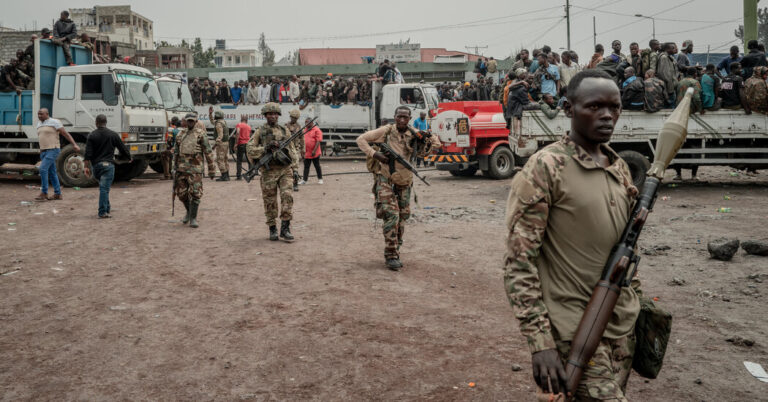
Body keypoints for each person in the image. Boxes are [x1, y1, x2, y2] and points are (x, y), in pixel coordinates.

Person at [504, 69, 641, 401]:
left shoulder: (618, 167)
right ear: (568, 109)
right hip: (572, 331)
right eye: (594, 107)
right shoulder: (545, 168)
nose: (607, 115)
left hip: (618, 325)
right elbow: (519, 264)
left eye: (614, 107)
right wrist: (541, 343)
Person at [355, 106, 441, 270]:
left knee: (402, 219)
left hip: (404, 182)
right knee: (392, 215)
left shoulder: (413, 132)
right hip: (386, 179)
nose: (402, 120)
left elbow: (435, 144)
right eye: (399, 117)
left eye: (405, 117)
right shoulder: (386, 131)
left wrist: (426, 136)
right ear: (395, 117)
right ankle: (391, 255)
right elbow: (361, 140)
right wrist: (375, 154)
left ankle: (396, 248)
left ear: (409, 118)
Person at [246, 102, 297, 241]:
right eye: (270, 114)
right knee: (270, 201)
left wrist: (295, 168)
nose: (273, 116)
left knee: (287, 197)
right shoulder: (260, 131)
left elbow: (292, 150)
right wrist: (265, 148)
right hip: (268, 171)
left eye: (275, 114)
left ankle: (285, 228)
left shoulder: (284, 130)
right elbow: (250, 149)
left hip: (285, 170)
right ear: (265, 115)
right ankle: (272, 228)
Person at [83, 114, 131, 218]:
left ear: (96, 123)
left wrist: (86, 167)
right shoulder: (113, 135)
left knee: (103, 188)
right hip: (108, 166)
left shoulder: (91, 135)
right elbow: (122, 148)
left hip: (96, 167)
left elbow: (88, 153)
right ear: (106, 122)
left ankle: (107, 208)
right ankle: (102, 212)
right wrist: (129, 157)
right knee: (104, 189)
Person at [173, 113, 215, 228]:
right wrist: (173, 167)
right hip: (181, 169)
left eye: (192, 121)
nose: (190, 123)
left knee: (195, 193)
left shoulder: (201, 134)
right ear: (185, 122)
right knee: (181, 194)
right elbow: (176, 152)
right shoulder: (180, 135)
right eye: (188, 121)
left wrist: (212, 170)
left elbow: (208, 152)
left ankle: (193, 218)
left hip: (195, 169)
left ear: (196, 121)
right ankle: (188, 211)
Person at [33, 108, 80, 201]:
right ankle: (58, 194)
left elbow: (65, 134)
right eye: (38, 114)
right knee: (52, 172)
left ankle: (44, 193)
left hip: (53, 149)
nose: (39, 116)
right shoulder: (39, 124)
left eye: (41, 114)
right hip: (44, 151)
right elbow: (41, 138)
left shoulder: (54, 122)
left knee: (42, 169)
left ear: (47, 114)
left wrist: (74, 144)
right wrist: (41, 150)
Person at [207, 108, 230, 181]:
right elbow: (212, 122)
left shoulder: (218, 124)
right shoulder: (223, 122)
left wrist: (215, 145)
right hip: (225, 143)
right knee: (225, 159)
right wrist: (210, 114)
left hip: (221, 143)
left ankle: (224, 176)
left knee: (220, 159)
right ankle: (227, 175)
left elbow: (220, 135)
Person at [285, 109, 304, 191]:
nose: (292, 119)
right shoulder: (286, 126)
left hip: (293, 150)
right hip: (287, 149)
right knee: (288, 168)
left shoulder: (298, 127)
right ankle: (289, 184)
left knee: (294, 168)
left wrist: (303, 149)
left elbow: (302, 139)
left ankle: (295, 184)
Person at [301, 117, 323, 184]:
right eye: (305, 122)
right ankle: (305, 180)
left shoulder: (316, 130)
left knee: (317, 166)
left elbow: (318, 140)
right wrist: (302, 151)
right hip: (307, 152)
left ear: (311, 123)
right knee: (306, 166)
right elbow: (302, 140)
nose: (306, 123)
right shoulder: (304, 130)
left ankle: (320, 179)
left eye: (307, 122)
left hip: (314, 152)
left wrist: (314, 150)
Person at [656, 42, 679, 106]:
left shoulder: (669, 57)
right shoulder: (664, 57)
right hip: (668, 89)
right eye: (673, 48)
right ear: (667, 49)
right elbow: (665, 75)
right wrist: (670, 89)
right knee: (670, 106)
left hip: (670, 88)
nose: (675, 49)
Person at [234, 116, 252, 180]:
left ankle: (239, 176)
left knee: (239, 160)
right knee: (249, 160)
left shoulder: (239, 125)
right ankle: (251, 175)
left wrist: (236, 143)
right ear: (246, 120)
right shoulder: (249, 126)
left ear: (241, 119)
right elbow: (249, 136)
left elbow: (238, 133)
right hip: (247, 144)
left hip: (241, 144)